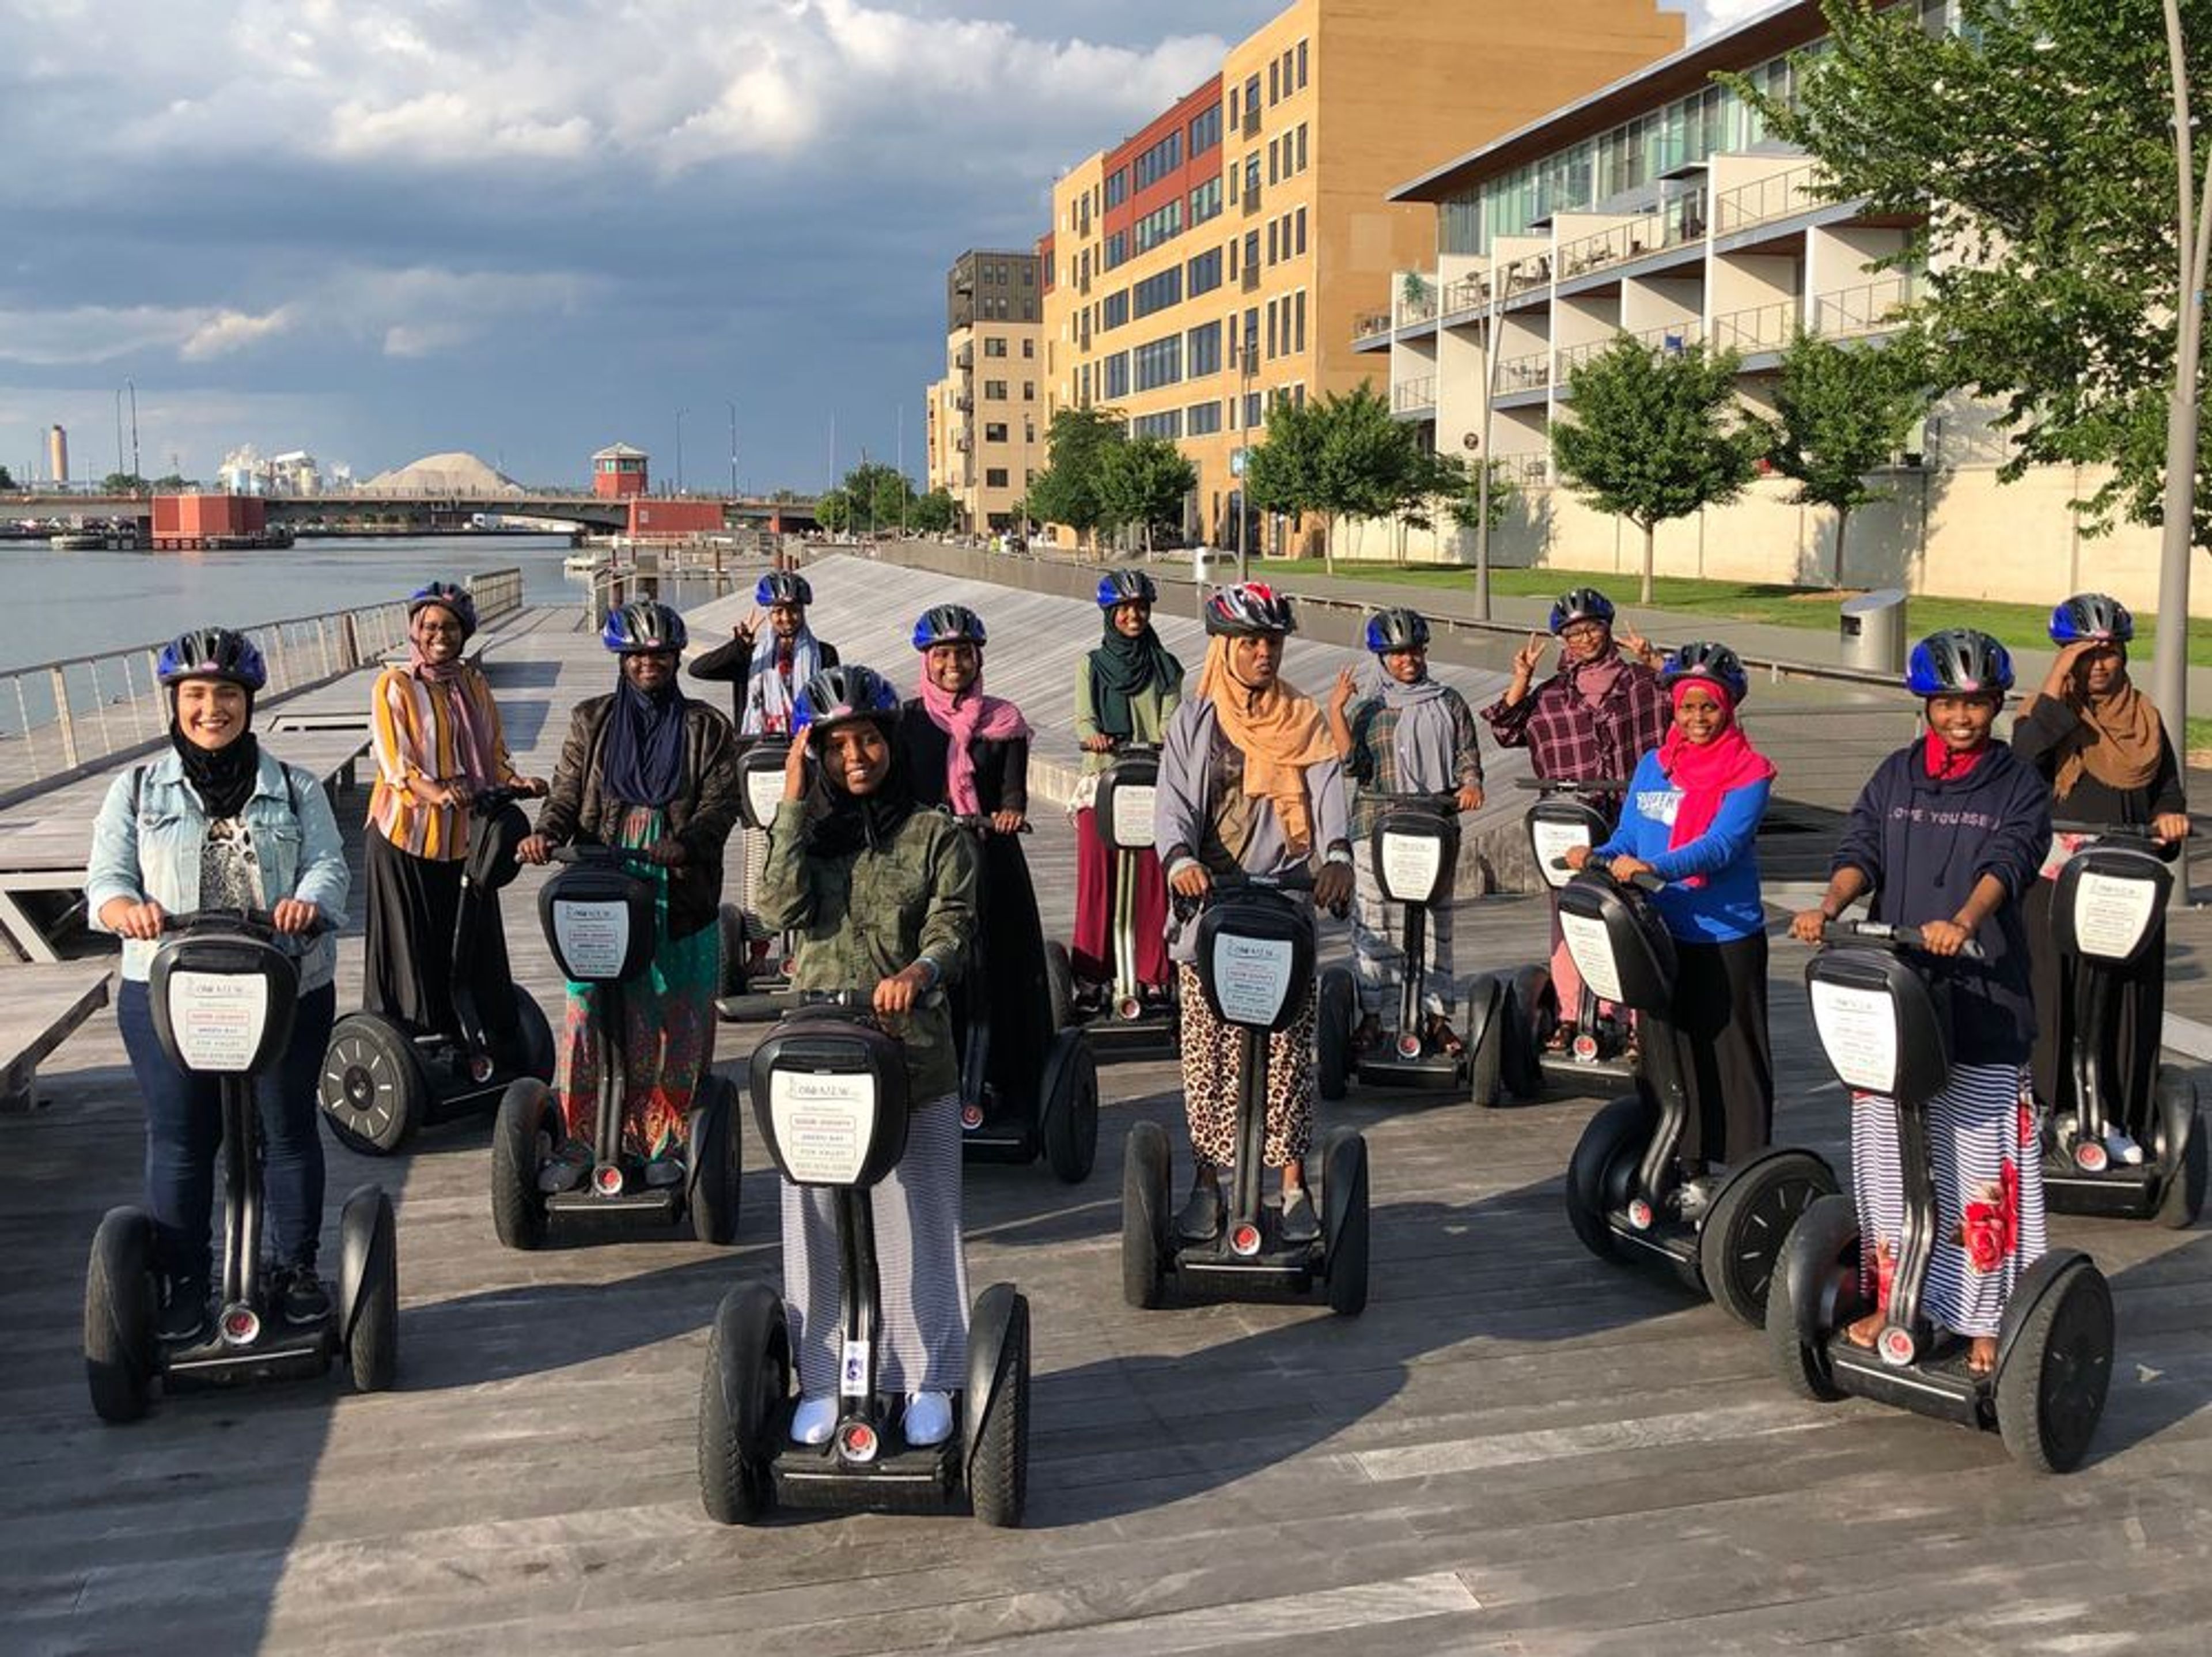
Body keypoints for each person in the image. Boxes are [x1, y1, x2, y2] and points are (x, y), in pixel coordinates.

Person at [1790, 628, 2051, 1375]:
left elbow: (2011, 858)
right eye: (1947, 704)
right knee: (1887, 1158)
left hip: (1983, 995)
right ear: (1926, 706)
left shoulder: (2017, 784)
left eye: (1976, 704)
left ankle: (1988, 1316)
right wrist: (1829, 904)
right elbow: (1862, 848)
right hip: (1898, 996)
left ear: (1995, 706)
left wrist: (1963, 921)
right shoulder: (1897, 774)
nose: (1961, 718)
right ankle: (1899, 1296)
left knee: (1980, 1166)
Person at [86, 628, 350, 1343]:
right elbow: (105, 879)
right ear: (175, 703)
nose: (212, 708)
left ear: (249, 702)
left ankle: (295, 1268)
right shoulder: (137, 790)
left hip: (285, 984)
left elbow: (329, 865)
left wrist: (307, 903)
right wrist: (124, 909)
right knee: (181, 1137)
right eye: (196, 694)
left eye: (227, 694)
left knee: (287, 1129)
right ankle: (185, 1280)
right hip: (168, 993)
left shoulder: (293, 787)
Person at [756, 664, 979, 1448]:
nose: (855, 757)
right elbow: (774, 908)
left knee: (923, 1221)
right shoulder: (809, 836)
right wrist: (791, 801)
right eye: (838, 745)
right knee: (816, 1224)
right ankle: (825, 1377)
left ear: (892, 742)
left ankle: (930, 1375)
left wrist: (920, 971)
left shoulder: (935, 833)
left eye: (868, 741)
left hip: (911, 1060)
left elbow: (954, 927)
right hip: (819, 1058)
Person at [1154, 582, 1354, 1244]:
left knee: (1288, 1053)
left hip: (1283, 900)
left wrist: (1336, 855)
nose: (1263, 652)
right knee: (1209, 1055)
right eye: (1250, 642)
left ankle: (1293, 1184)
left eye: (1272, 641)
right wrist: (1180, 858)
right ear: (1224, 647)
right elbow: (1174, 804)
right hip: (1210, 904)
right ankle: (1206, 1182)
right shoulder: (1195, 720)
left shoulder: (1304, 717)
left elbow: (1328, 794)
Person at [518, 600, 740, 1190]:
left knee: (674, 1015)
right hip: (603, 882)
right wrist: (546, 834)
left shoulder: (707, 726)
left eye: (661, 654)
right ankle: (583, 1136)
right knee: (589, 1010)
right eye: (639, 655)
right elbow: (567, 793)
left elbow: (722, 804)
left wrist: (685, 844)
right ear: (622, 660)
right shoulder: (591, 720)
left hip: (678, 889)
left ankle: (664, 1139)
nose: (650, 664)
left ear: (676, 658)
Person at [1566, 642, 1775, 1205]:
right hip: (1658, 932)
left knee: (1732, 1057)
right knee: (1670, 1054)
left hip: (1724, 935)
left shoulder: (1750, 771)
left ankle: (1745, 1174)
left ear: (1727, 708)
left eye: (1708, 707)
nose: (1697, 718)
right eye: (1687, 707)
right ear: (1674, 708)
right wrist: (1597, 855)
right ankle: (1686, 1164)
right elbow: (1630, 834)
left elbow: (1723, 845)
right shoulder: (1654, 765)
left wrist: (1657, 868)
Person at [2012, 592, 2190, 1164]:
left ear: (2124, 655)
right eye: (2084, 654)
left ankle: (2117, 1114)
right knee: (2051, 992)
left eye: (2108, 652)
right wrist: (2058, 681)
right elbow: (2023, 762)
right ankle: (2047, 1109)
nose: (2098, 665)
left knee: (2122, 997)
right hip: (2054, 882)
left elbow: (2167, 791)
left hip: (2125, 882)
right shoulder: (2045, 714)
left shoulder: (2145, 719)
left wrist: (2170, 819)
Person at [362, 580, 543, 1062]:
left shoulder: (473, 684)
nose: (440, 636)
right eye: (431, 627)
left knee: (469, 940)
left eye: (451, 628)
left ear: (465, 634)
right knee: (415, 948)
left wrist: (516, 781)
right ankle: (417, 1047)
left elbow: (493, 749)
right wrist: (437, 792)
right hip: (406, 835)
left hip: (465, 837)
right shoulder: (395, 685)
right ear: (415, 631)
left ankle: (485, 1034)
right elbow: (395, 763)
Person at [1482, 587, 1668, 1045]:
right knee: (1570, 913)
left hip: (1628, 820)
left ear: (1608, 629)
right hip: (1571, 822)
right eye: (1573, 633)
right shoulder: (1551, 694)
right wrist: (1522, 678)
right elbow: (1506, 728)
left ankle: (1632, 1018)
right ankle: (1570, 1012)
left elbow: (1696, 700)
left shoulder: (1642, 685)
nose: (1584, 639)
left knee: (1630, 913)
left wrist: (1655, 662)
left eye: (1592, 629)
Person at [893, 604, 1054, 1109]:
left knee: (999, 962)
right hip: (929, 860)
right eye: (943, 655)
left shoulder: (1004, 720)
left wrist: (1009, 812)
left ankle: (1006, 1077)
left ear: (978, 658)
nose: (954, 665)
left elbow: (1012, 790)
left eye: (963, 653)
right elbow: (897, 790)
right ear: (927, 661)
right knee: (931, 955)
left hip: (989, 855)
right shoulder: (908, 720)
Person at [1325, 606, 1484, 1053]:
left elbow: (1467, 756)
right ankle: (1373, 1016)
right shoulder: (1370, 708)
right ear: (1382, 659)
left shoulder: (1449, 701)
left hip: (1434, 824)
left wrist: (1471, 785)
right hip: (1375, 826)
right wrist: (1336, 710)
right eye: (1397, 654)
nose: (1407, 660)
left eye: (1413, 651)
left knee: (1436, 923)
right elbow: (1354, 766)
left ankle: (1436, 1018)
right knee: (1375, 923)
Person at [688, 569, 841, 974]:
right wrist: (738, 646)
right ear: (769, 614)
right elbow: (699, 670)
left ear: (803, 611)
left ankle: (804, 946)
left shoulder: (824, 654)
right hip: (758, 765)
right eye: (778, 612)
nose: (786, 618)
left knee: (807, 849)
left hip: (807, 763)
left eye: (792, 610)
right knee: (760, 855)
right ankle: (758, 947)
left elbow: (834, 704)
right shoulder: (750, 657)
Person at [1070, 570, 1183, 1000]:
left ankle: (1153, 973)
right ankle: (1092, 973)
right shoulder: (1091, 665)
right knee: (1097, 877)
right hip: (1104, 778)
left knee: (1154, 878)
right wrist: (1095, 736)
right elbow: (1084, 718)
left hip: (1150, 779)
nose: (1133, 616)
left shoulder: (1165, 666)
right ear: (1110, 614)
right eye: (1124, 609)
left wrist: (1167, 737)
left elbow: (1171, 718)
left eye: (1140, 608)